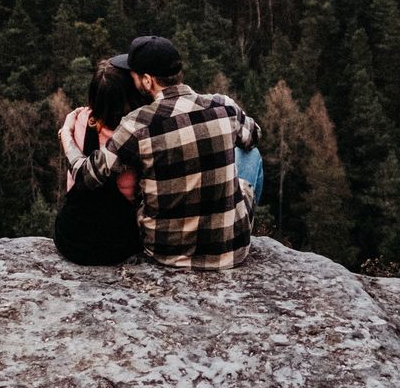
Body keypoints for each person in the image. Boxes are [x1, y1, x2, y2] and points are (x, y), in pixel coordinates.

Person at [59, 35, 263, 270]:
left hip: (166, 252)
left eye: (134, 75)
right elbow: (254, 136)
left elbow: (86, 176)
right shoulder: (223, 104)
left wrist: (66, 134)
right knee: (251, 156)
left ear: (147, 81)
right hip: (232, 251)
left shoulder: (136, 125)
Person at [54, 60, 141, 265]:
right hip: (119, 243)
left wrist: (66, 131)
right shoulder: (137, 134)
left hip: (72, 240)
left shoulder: (80, 120)